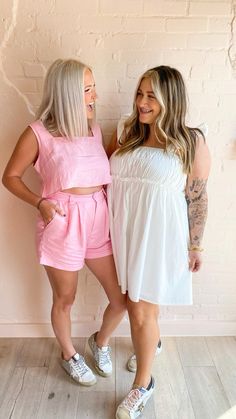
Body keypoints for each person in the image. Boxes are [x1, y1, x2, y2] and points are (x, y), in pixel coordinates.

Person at [2, 58, 126, 386]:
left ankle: (99, 343)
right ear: (68, 93)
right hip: (63, 221)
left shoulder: (93, 129)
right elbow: (10, 177)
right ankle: (68, 353)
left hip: (98, 217)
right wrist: (40, 202)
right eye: (87, 89)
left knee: (120, 298)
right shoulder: (38, 133)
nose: (94, 96)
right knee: (65, 299)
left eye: (93, 87)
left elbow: (96, 173)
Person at [107, 66, 211, 418]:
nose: (142, 102)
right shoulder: (126, 133)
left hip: (159, 237)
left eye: (151, 96)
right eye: (140, 93)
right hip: (123, 234)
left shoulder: (191, 141)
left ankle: (143, 384)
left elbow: (197, 198)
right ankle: (153, 343)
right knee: (132, 302)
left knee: (140, 308)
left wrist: (196, 245)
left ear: (171, 99)